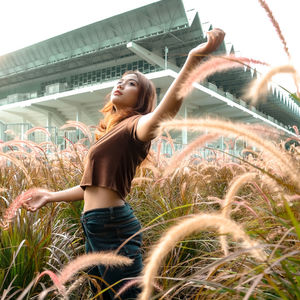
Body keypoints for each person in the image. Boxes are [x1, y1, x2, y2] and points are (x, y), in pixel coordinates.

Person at [22, 28, 225, 299]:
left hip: (114, 227)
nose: (120, 84)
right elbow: (91, 188)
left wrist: (193, 58)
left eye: (131, 83)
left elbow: (166, 111)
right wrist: (50, 196)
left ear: (142, 98)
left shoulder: (137, 126)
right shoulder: (109, 134)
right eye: (120, 80)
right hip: (94, 225)